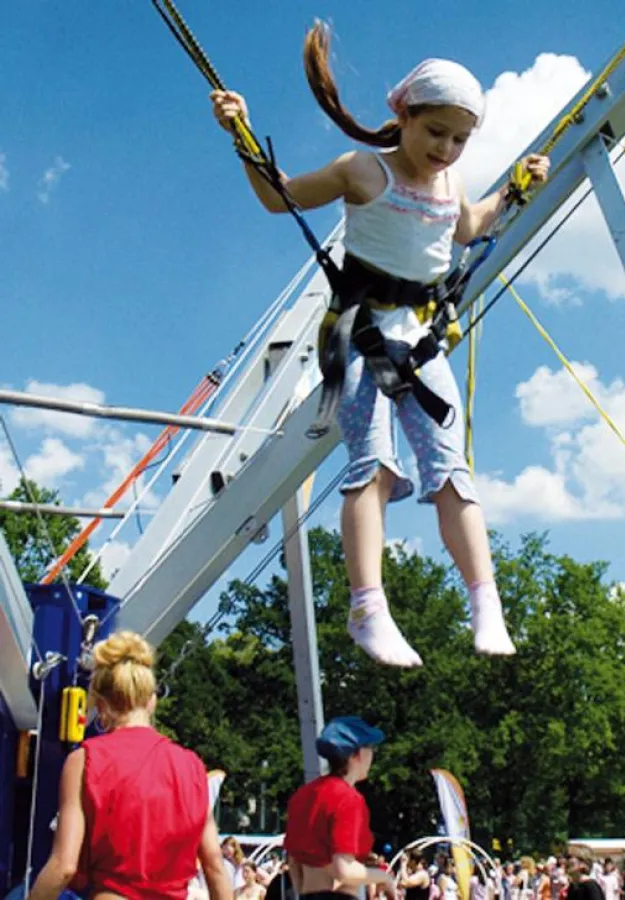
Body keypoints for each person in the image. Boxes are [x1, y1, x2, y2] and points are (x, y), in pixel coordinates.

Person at [210, 25, 549, 668]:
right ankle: (368, 606)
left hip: (419, 341)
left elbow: (471, 228)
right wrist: (242, 135)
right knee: (373, 468)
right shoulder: (364, 171)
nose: (446, 149)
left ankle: (486, 600)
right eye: (435, 133)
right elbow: (278, 199)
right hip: (360, 337)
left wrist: (515, 189)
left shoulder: (450, 188)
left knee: (452, 471)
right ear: (404, 116)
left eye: (459, 139)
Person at [28, 630, 231, 900]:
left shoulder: (85, 760)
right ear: (152, 700)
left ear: (100, 705)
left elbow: (63, 867)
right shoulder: (191, 766)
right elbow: (215, 866)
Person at [283, 715, 395, 900]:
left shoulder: (303, 795)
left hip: (306, 894)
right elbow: (343, 869)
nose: (373, 754)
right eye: (370, 747)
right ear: (356, 754)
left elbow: (294, 861)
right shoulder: (348, 799)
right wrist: (385, 877)